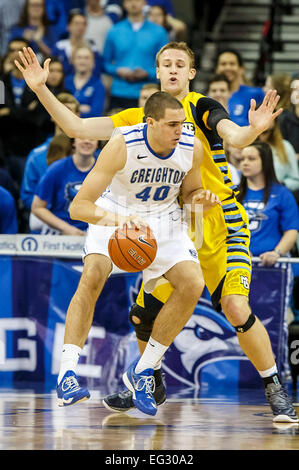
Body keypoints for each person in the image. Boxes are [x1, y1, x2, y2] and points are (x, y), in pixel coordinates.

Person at [14, 42, 299, 422]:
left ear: (192, 73)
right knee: (141, 315)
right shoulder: (139, 117)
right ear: (158, 71)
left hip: (219, 220)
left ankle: (275, 389)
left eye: (181, 64)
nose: (174, 70)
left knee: (234, 307)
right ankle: (149, 380)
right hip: (179, 221)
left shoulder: (201, 107)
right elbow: (76, 127)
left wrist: (253, 130)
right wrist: (40, 88)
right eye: (167, 64)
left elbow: (234, 135)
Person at [61, 92, 220, 412]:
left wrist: (200, 200)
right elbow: (78, 207)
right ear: (151, 123)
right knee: (92, 276)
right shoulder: (122, 145)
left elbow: (189, 194)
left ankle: (144, 368)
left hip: (163, 218)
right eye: (172, 125)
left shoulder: (191, 147)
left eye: (183, 124)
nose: (180, 130)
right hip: (115, 213)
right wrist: (122, 221)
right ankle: (67, 374)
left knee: (193, 283)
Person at [237, 141, 299, 264]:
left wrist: (276, 253)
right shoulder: (232, 193)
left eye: (251, 159)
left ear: (265, 162)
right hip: (239, 263)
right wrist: (237, 251)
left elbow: (291, 231)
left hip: (273, 266)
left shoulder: (282, 194)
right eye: (242, 159)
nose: (245, 163)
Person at [103, 0, 168, 109]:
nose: (133, 3)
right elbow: (105, 63)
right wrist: (117, 70)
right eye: (129, 0)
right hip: (119, 92)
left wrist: (147, 73)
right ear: (124, 4)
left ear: (144, 3)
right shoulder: (114, 30)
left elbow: (165, 64)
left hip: (148, 93)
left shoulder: (159, 32)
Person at [20, 92, 80, 211]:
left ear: (78, 115)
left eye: (69, 111)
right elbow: (27, 196)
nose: (65, 115)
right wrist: (53, 213)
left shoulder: (90, 153)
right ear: (52, 115)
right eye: (60, 111)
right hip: (46, 222)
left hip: (82, 221)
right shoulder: (37, 155)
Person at [31, 137, 97, 235]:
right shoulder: (56, 169)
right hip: (59, 234)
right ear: (73, 142)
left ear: (97, 143)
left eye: (91, 138)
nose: (87, 141)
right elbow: (37, 207)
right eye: (82, 138)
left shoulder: (107, 169)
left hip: (94, 234)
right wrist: (66, 228)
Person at [216, 48, 265, 127]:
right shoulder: (211, 97)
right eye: (223, 64)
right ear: (217, 69)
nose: (227, 67)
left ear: (241, 69)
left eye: (232, 64)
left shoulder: (256, 94)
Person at [51, 11, 103, 77]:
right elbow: (52, 70)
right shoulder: (59, 47)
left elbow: (97, 70)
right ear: (68, 26)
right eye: (76, 23)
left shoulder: (92, 47)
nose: (81, 27)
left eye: (84, 24)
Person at [257, 118, 299, 194]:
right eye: (258, 131)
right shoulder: (246, 146)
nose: (260, 135)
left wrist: (282, 184)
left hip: (277, 192)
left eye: (265, 132)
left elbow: (296, 180)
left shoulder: (285, 147)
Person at [64, 46, 106, 118]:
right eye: (79, 57)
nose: (82, 61)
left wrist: (70, 110)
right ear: (73, 61)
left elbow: (95, 114)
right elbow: (58, 107)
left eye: (86, 58)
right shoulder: (66, 81)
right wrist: (79, 108)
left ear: (93, 62)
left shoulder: (98, 85)